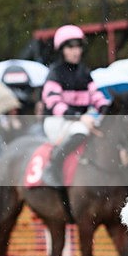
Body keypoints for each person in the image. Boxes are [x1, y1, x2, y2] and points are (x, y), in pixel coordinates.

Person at [41, 24, 110, 188]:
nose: (76, 51)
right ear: (62, 50)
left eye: (78, 47)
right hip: (56, 121)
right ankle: (53, 166)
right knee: (81, 131)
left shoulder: (84, 73)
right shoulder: (55, 72)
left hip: (81, 120)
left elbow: (97, 96)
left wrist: (108, 109)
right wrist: (80, 117)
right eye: (70, 47)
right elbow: (54, 104)